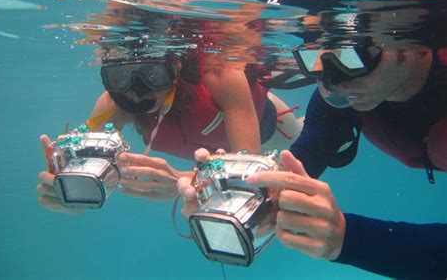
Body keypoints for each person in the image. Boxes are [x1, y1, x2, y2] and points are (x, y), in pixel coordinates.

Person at [179, 41, 447, 278]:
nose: (333, 81)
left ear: (416, 45)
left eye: (353, 53)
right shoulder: (341, 97)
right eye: (317, 57)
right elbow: (300, 160)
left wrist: (346, 237)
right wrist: (230, 188)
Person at [37, 48, 303, 212]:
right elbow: (84, 166)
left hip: (271, 127)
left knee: (303, 147)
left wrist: (181, 181)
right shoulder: (116, 104)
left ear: (175, 67)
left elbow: (249, 172)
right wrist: (67, 192)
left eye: (152, 76)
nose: (136, 91)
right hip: (211, 157)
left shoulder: (222, 76)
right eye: (120, 77)